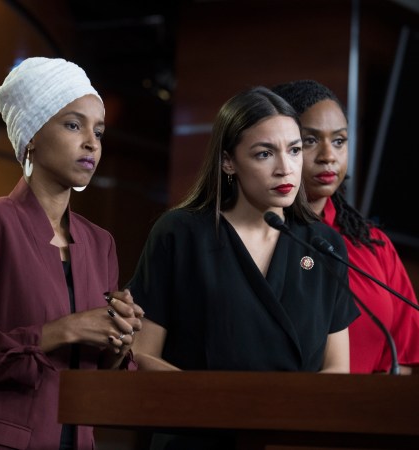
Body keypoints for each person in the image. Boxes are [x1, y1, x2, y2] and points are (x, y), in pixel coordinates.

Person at [0, 57, 144, 450]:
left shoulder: (101, 243)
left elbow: (103, 380)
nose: (91, 143)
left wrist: (120, 339)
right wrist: (67, 329)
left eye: (99, 131)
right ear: (31, 134)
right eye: (73, 125)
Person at [128, 86, 360, 448]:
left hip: (290, 439)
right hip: (195, 436)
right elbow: (141, 355)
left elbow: (337, 369)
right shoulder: (180, 233)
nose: (285, 168)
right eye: (264, 153)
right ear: (228, 161)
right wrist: (226, 405)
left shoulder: (324, 244)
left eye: (295, 150)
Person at [272, 79, 419, 374]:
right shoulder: (254, 235)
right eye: (310, 140)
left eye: (339, 140)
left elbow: (402, 361)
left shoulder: (373, 243)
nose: (329, 156)